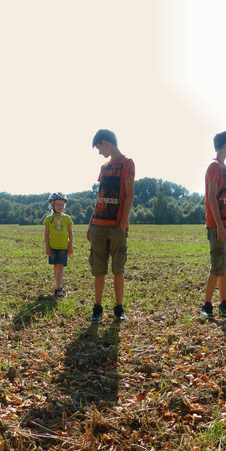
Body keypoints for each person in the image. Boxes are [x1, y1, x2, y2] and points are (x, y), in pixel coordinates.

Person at [87, 129, 135, 322]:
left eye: (99, 148)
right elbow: (100, 197)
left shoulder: (127, 163)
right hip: (98, 225)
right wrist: (91, 224)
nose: (99, 152)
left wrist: (122, 225)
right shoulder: (104, 167)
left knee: (118, 269)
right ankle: (97, 308)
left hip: (116, 227)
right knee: (98, 269)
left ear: (106, 142)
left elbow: (129, 195)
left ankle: (118, 308)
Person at [201, 131, 226, 318]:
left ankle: (224, 303)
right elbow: (212, 198)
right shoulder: (214, 166)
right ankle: (206, 306)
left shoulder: (224, 167)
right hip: (218, 226)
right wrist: (221, 226)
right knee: (217, 266)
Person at [43, 192, 74, 298]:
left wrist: (70, 246)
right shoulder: (48, 219)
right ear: (52, 205)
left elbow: (70, 233)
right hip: (53, 247)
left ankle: (58, 288)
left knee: (60, 266)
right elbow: (46, 234)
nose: (60, 207)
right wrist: (47, 247)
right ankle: (58, 285)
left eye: (62, 204)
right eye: (58, 204)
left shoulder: (67, 218)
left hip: (63, 247)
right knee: (56, 267)